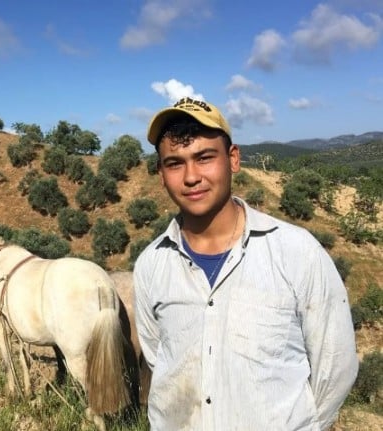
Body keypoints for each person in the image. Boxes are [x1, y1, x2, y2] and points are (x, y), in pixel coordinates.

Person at [133, 97, 358, 430]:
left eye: (204, 158)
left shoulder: (296, 252)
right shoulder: (152, 264)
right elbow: (158, 357)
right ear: (161, 174)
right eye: (175, 163)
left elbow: (334, 367)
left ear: (233, 159)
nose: (191, 176)